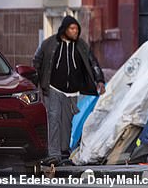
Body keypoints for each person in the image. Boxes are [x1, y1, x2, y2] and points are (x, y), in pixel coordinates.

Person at [33, 16, 105, 165]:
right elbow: (37, 62)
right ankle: (53, 153)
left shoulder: (82, 46)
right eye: (72, 29)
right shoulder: (49, 44)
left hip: (73, 91)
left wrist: (100, 80)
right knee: (53, 119)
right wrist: (35, 82)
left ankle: (64, 152)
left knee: (67, 122)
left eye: (77, 29)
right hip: (53, 88)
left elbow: (93, 63)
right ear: (64, 29)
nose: (75, 31)